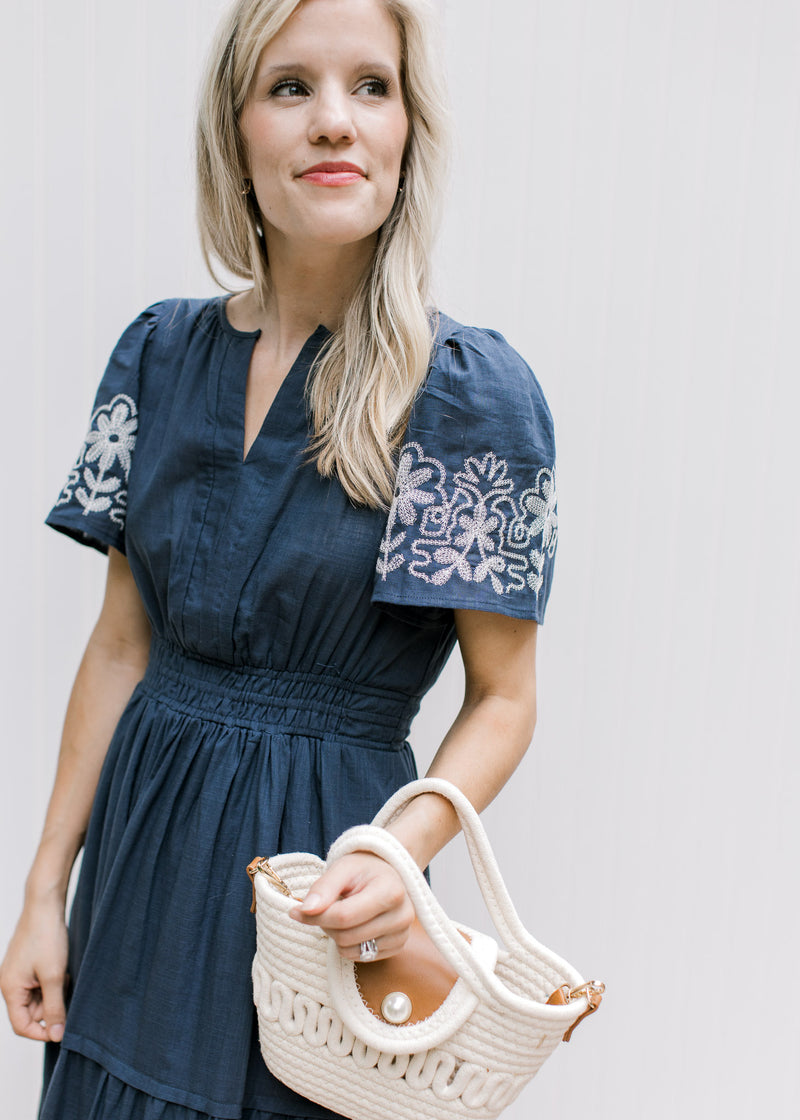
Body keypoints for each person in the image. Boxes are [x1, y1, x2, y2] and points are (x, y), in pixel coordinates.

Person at [0, 0, 558, 1117]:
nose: (333, 123)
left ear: (408, 129)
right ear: (236, 128)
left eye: (371, 87)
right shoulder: (158, 355)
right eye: (289, 87)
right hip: (137, 869)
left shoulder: (463, 394)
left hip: (317, 889)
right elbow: (119, 647)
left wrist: (398, 855)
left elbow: (503, 697)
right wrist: (44, 889)